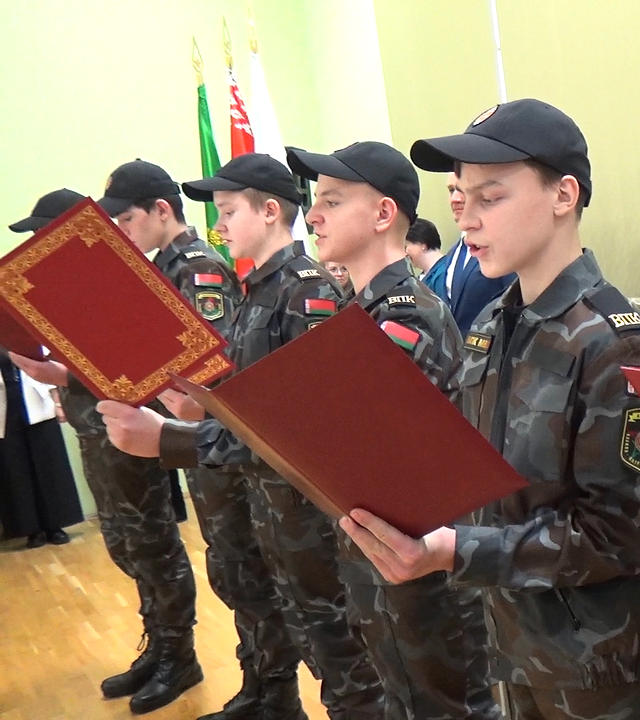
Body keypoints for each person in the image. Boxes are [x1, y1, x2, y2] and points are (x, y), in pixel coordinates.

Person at [341, 98, 640, 720]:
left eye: (490, 198)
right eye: (460, 197)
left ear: (563, 196)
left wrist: (456, 551)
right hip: (513, 643)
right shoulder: (496, 326)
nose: (466, 220)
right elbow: (478, 470)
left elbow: (623, 537)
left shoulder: (619, 345)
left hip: (598, 673)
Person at [97, 153, 384, 719]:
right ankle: (270, 697)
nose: (218, 226)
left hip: (305, 509)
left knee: (337, 640)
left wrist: (180, 436)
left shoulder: (307, 293)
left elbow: (306, 428)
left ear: (272, 210)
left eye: (227, 212)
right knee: (298, 622)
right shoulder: (260, 290)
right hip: (265, 498)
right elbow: (255, 401)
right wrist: (203, 410)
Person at [287, 140, 497, 719]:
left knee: (447, 706)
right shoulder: (353, 311)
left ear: (383, 215)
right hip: (377, 563)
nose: (312, 215)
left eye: (332, 200)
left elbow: (351, 441)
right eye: (315, 201)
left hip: (422, 579)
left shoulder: (405, 315)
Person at [9, 169, 214, 714]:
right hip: (95, 426)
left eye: (44, 236)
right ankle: (160, 643)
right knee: (126, 546)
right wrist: (61, 377)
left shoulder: (136, 277)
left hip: (129, 434)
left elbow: (146, 362)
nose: (37, 248)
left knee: (152, 543)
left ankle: (180, 654)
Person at [2, 190, 86, 549]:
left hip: (37, 380)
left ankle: (55, 523)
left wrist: (58, 396)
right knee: (15, 462)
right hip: (7, 386)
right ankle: (30, 526)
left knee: (47, 455)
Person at [424, 172, 514, 332]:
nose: (455, 199)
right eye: (451, 190)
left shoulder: (501, 247)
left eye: (463, 190)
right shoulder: (453, 254)